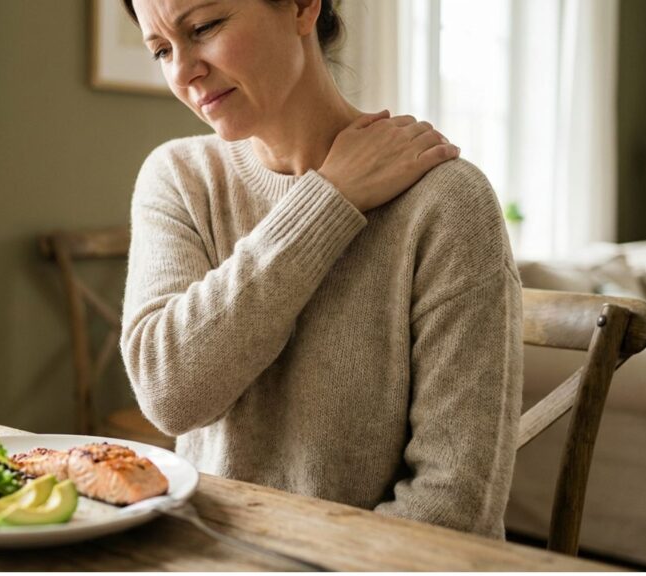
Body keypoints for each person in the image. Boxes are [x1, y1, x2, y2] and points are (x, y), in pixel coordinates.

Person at [118, 0, 522, 539]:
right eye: (162, 49)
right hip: (212, 552)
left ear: (303, 6)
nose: (182, 71)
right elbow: (171, 394)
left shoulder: (446, 201)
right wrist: (328, 201)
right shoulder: (179, 178)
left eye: (205, 27)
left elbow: (454, 504)